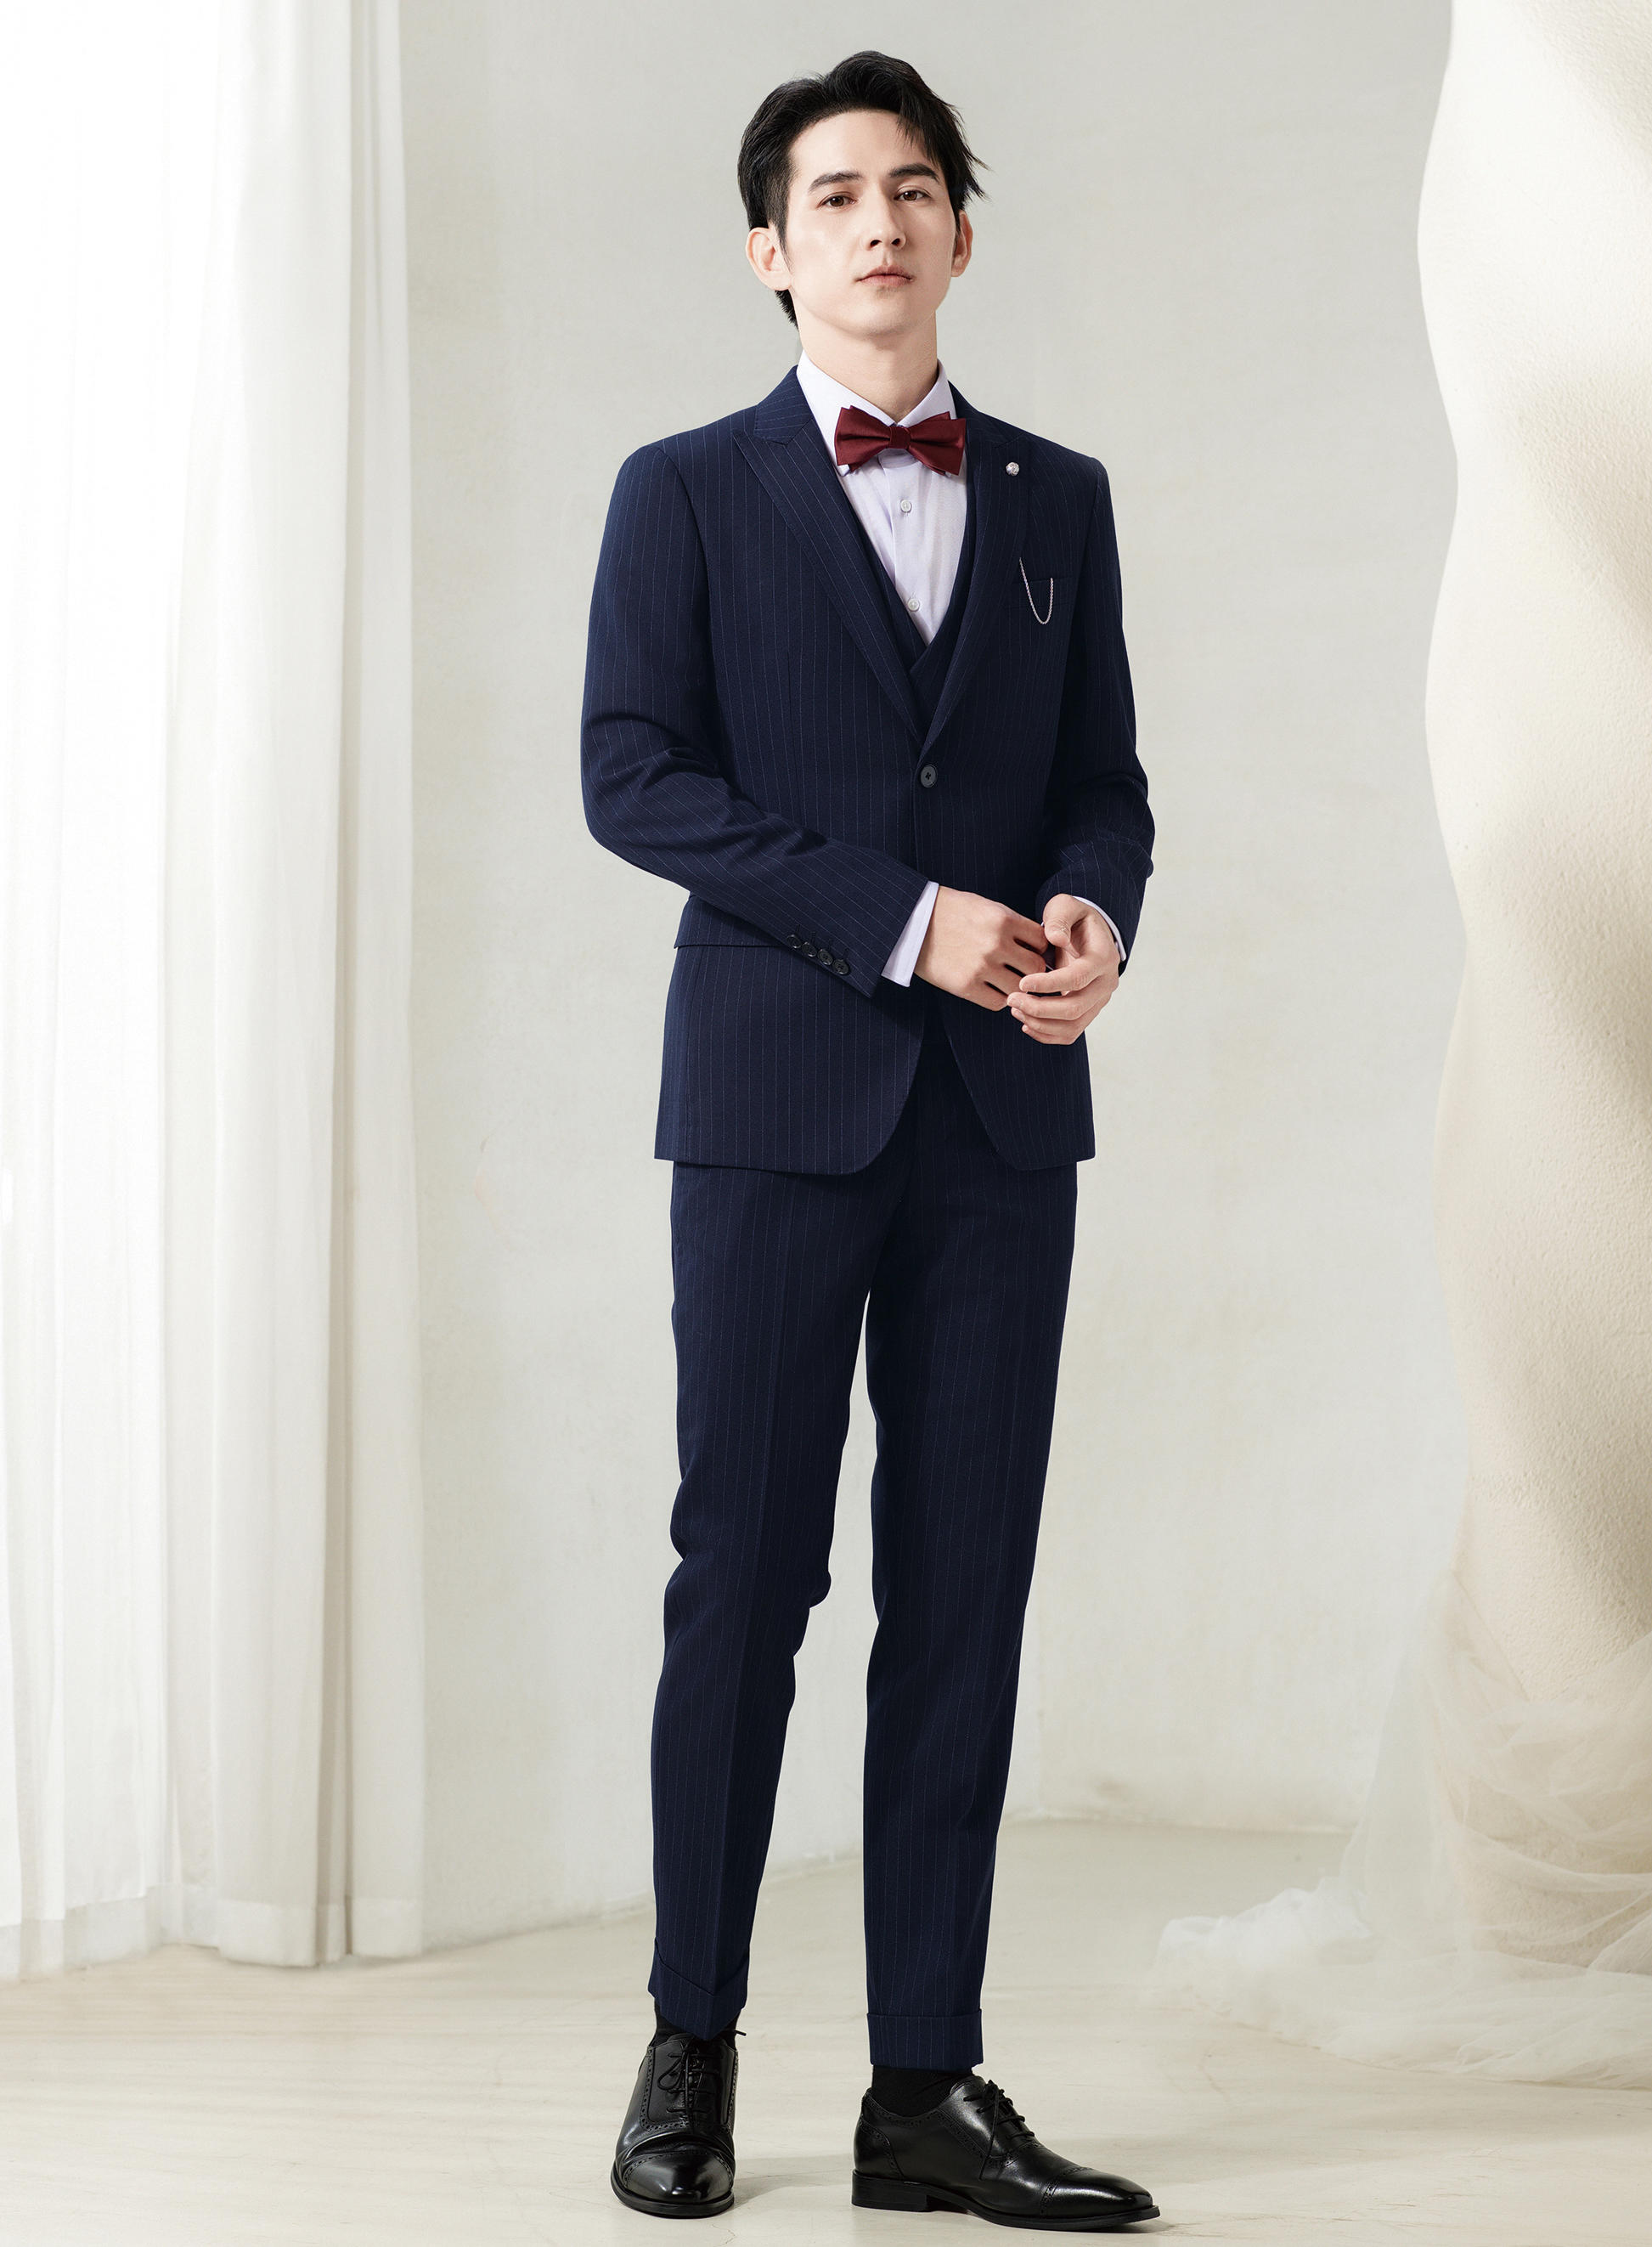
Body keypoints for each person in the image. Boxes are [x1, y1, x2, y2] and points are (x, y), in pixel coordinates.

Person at [581, 49, 1157, 2229]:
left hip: (1001, 1119)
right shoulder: (681, 492)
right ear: (771, 249)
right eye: (834, 194)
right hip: (771, 1110)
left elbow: (1098, 780)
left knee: (963, 1592)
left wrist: (1090, 913)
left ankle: (924, 2085)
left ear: (960, 234)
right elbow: (632, 777)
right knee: (745, 1577)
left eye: (912, 188)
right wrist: (910, 920)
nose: (878, 222)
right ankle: (689, 2041)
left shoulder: (1055, 497)